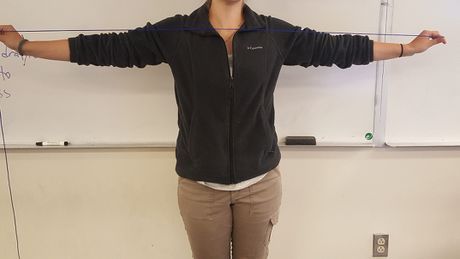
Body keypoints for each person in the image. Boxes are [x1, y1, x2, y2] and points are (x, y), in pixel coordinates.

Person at [0, 0, 446, 258]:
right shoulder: (178, 33)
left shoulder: (273, 33)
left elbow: (340, 47)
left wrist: (408, 49)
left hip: (259, 185)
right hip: (199, 187)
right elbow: (103, 48)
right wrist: (23, 45)